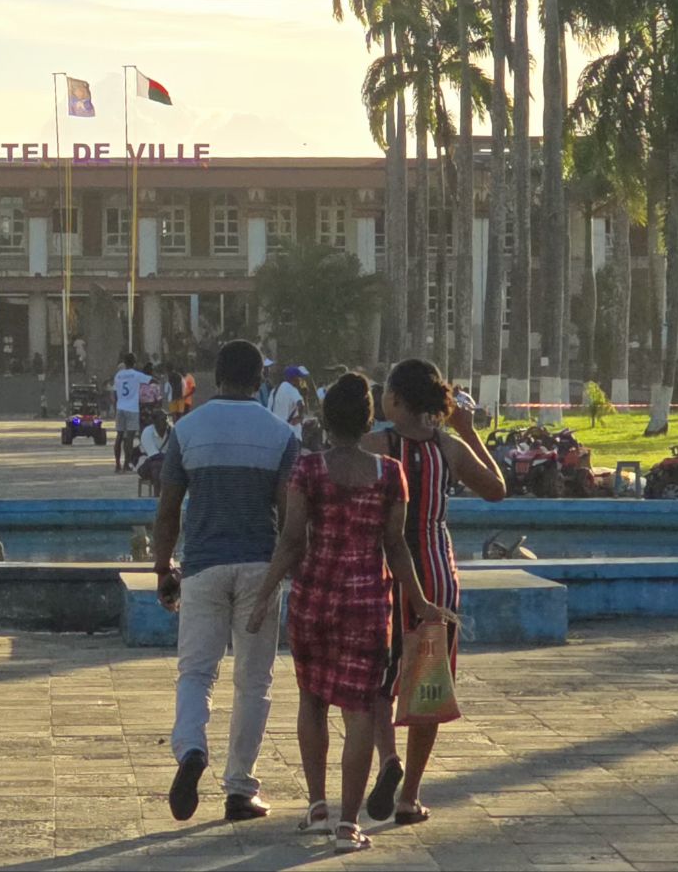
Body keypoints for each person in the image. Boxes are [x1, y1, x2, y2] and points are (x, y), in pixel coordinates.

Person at [246, 373, 444, 850]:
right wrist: (420, 603)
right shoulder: (389, 473)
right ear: (367, 420)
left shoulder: (308, 471)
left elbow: (292, 542)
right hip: (367, 606)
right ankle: (347, 825)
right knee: (358, 711)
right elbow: (397, 548)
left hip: (314, 599)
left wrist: (263, 596)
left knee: (312, 700)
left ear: (325, 420)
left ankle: (317, 806)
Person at [152, 339, 300, 824]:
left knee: (196, 672)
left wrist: (163, 570)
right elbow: (289, 514)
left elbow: (169, 509)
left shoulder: (187, 430)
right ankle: (240, 789)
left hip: (203, 567)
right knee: (253, 681)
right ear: (260, 381)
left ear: (216, 377)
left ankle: (191, 748)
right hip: (259, 566)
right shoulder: (280, 435)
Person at [358, 358, 507, 825]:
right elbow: (497, 490)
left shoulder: (376, 445)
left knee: (379, 677)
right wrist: (469, 429)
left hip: (384, 569)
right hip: (437, 573)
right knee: (427, 684)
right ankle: (410, 796)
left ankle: (387, 761)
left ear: (397, 401)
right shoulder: (450, 447)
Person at [112, 354, 149, 470]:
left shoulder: (118, 375)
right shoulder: (137, 375)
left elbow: (114, 392)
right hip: (132, 408)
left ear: (124, 362)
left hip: (120, 407)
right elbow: (151, 379)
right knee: (130, 438)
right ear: (134, 362)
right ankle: (126, 464)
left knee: (119, 436)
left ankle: (117, 464)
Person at [270, 365, 310, 440]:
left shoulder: (274, 390)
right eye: (299, 377)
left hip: (276, 434)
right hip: (291, 435)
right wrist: (300, 417)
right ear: (294, 378)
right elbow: (300, 404)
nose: (300, 380)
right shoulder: (292, 389)